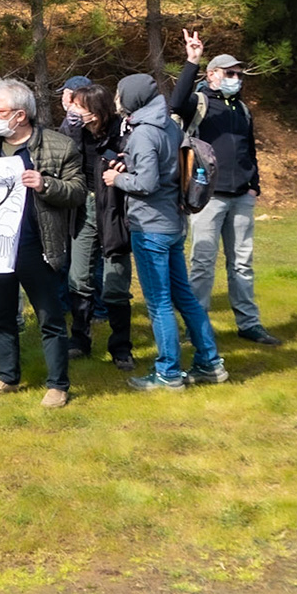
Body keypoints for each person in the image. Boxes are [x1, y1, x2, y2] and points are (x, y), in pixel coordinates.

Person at [107, 73, 226, 392]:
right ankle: (210, 363)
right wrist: (128, 165)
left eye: (119, 94)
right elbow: (166, 169)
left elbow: (146, 183)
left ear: (131, 99)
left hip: (151, 228)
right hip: (174, 224)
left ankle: (168, 372)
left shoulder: (144, 133)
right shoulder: (170, 126)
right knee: (184, 297)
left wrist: (115, 179)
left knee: (159, 302)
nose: (116, 100)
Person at [0, 79, 82, 408]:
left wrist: (46, 184)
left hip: (38, 243)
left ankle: (58, 385)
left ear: (20, 115)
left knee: (50, 316)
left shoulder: (59, 147)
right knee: (1, 315)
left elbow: (76, 191)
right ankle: (6, 376)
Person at [172, 30, 280, 346]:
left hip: (241, 197)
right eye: (230, 73)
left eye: (238, 73)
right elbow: (177, 102)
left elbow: (250, 149)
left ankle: (249, 324)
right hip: (208, 197)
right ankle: (196, 325)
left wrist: (254, 186)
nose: (236, 78)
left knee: (242, 264)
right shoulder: (201, 103)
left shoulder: (243, 109)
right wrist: (192, 59)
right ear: (213, 75)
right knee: (203, 263)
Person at [64, 83, 136, 370]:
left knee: (116, 281)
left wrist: (124, 163)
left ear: (96, 111)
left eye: (79, 106)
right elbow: (64, 157)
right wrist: (70, 128)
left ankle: (121, 347)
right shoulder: (74, 131)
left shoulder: (123, 132)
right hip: (84, 209)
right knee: (78, 277)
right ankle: (80, 339)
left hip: (115, 210)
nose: (74, 111)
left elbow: (135, 159)